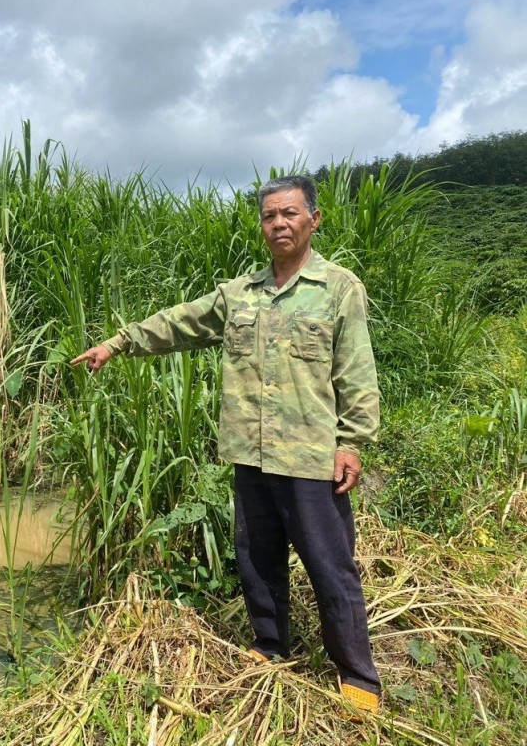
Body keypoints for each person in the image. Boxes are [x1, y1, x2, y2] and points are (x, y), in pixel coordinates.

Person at [71, 175, 382, 714]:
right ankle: (270, 648)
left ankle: (358, 674)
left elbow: (356, 369)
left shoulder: (338, 288)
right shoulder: (240, 294)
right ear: (261, 225)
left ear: (313, 219)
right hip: (250, 453)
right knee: (257, 559)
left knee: (330, 565)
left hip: (310, 456)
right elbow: (180, 322)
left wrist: (351, 441)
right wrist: (118, 343)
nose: (279, 223)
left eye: (289, 213)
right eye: (269, 216)